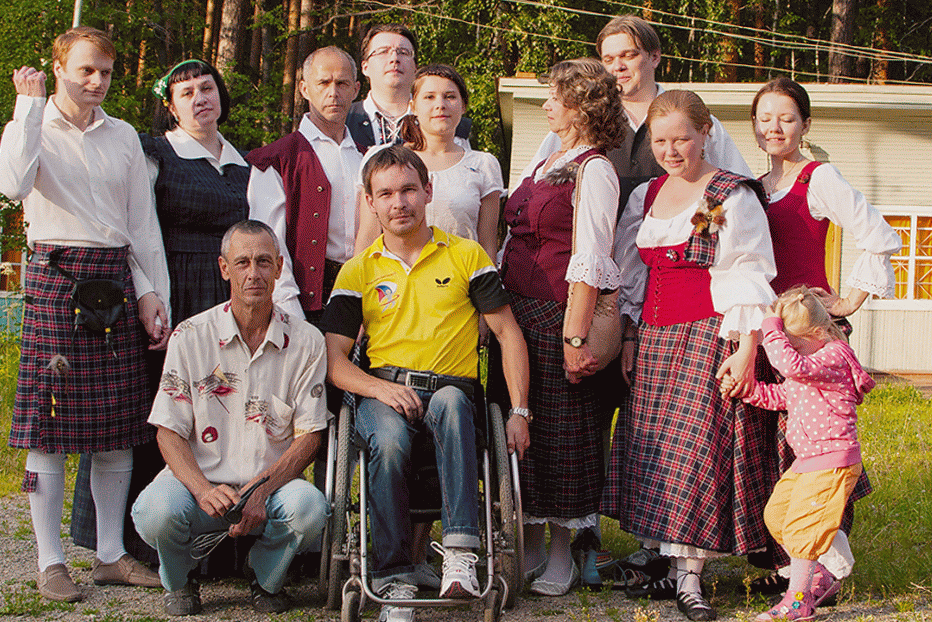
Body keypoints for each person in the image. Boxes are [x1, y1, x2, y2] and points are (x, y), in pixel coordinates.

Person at [322, 145, 530, 622]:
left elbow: (508, 334)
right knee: (389, 442)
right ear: (370, 202)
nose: (399, 203)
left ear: (428, 192)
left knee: (453, 404)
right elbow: (335, 362)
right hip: (383, 390)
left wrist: (519, 410)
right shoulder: (359, 270)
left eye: (409, 190)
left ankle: (460, 556)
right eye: (386, 194)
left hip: (453, 389)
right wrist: (380, 389)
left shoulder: (467, 256)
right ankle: (394, 579)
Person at [0, 26, 169, 602]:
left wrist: (151, 293)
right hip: (56, 279)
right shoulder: (30, 124)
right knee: (47, 432)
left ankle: (110, 554)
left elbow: (141, 222)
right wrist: (28, 106)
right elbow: (11, 184)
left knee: (117, 430)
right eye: (85, 71)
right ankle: (50, 562)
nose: (97, 82)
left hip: (115, 277)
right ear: (59, 68)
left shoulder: (122, 136)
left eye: (106, 72)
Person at [601, 90, 777, 621]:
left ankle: (691, 578)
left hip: (708, 335)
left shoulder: (726, 194)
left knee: (697, 453)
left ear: (706, 133)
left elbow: (749, 272)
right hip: (655, 340)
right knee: (657, 451)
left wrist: (746, 350)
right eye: (661, 141)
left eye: (682, 138)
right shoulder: (648, 194)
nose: (671, 150)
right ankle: (666, 563)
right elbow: (633, 273)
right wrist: (629, 337)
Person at [71, 58, 250, 565]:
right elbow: (136, 229)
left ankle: (215, 547)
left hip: (222, 298)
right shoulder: (155, 154)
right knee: (159, 412)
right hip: (165, 292)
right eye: (186, 93)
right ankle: (137, 542)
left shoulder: (246, 165)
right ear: (171, 107)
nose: (199, 99)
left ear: (221, 96)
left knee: (216, 412)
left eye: (207, 88)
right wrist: (149, 295)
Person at [746, 77, 900, 599]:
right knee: (778, 451)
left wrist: (850, 300)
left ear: (805, 125)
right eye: (765, 118)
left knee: (817, 452)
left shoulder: (819, 177)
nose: (775, 127)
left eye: (786, 118)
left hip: (808, 337)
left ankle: (823, 569)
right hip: (767, 333)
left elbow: (878, 234)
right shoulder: (749, 187)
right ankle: (793, 563)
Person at [132, 220, 329, 616]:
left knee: (310, 508)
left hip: (271, 487)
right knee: (155, 511)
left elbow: (310, 436)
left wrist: (262, 490)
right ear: (224, 268)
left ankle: (264, 575)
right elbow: (168, 431)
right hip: (198, 486)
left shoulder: (307, 341)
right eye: (242, 263)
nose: (253, 273)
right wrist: (203, 490)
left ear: (279, 267)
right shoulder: (190, 336)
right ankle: (180, 578)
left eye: (263, 262)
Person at [497, 58, 624, 597]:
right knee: (523, 430)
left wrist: (574, 336)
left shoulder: (595, 170)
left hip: (557, 313)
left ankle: (560, 553)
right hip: (518, 313)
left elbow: (591, 257)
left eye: (555, 97)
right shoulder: (548, 155)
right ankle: (529, 544)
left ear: (581, 107)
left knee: (563, 437)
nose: (547, 105)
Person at [719, 287, 873, 621]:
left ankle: (798, 601)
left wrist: (771, 327)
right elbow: (783, 397)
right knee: (777, 516)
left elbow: (790, 366)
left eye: (795, 344)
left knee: (803, 529)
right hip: (807, 461)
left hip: (832, 461)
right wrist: (747, 391)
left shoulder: (833, 356)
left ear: (818, 334)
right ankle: (823, 570)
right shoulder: (808, 362)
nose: (790, 350)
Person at [527, 15, 750, 216]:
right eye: (608, 60)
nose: (618, 67)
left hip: (670, 243)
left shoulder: (693, 120)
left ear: (655, 57)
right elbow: (530, 190)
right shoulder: (581, 122)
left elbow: (739, 192)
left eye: (629, 55)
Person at [247, 46, 363, 327]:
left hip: (366, 297)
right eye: (323, 82)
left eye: (342, 83)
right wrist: (291, 314)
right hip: (304, 304)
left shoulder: (368, 157)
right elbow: (269, 244)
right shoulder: (276, 159)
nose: (333, 92)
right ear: (304, 89)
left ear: (356, 89)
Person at [355, 64, 503, 262]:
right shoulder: (381, 158)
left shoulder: (483, 165)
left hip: (460, 276)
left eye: (450, 96)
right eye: (429, 97)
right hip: (396, 277)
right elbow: (367, 237)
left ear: (463, 105)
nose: (440, 105)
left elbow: (487, 245)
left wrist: (486, 281)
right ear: (413, 106)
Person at [346, 23, 470, 148]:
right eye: (383, 51)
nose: (394, 58)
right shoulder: (345, 119)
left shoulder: (448, 122)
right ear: (365, 67)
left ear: (415, 67)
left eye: (403, 52)